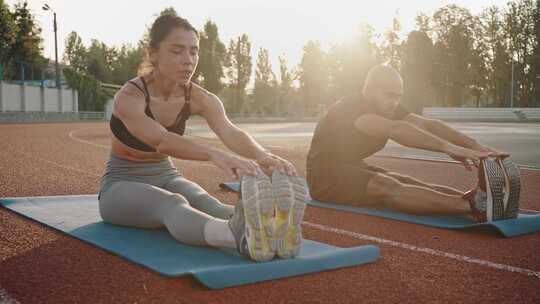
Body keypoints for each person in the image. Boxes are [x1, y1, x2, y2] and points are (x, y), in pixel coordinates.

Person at [98, 13, 307, 262]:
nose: (188, 60)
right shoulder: (130, 97)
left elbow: (230, 131)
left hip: (166, 175)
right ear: (153, 53)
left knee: (207, 203)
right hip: (121, 184)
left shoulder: (199, 97)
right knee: (172, 203)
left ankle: (271, 229)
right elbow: (161, 140)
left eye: (193, 52)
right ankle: (238, 237)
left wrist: (263, 156)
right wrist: (214, 154)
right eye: (177, 51)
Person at [306, 64, 520, 223]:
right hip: (324, 176)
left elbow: (430, 125)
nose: (395, 102)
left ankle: (476, 199)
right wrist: (449, 148)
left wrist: (477, 147)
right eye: (390, 95)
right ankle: (473, 207)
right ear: (369, 89)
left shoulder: (386, 106)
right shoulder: (352, 109)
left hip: (349, 165)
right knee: (386, 185)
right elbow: (396, 130)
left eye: (398, 96)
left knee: (404, 179)